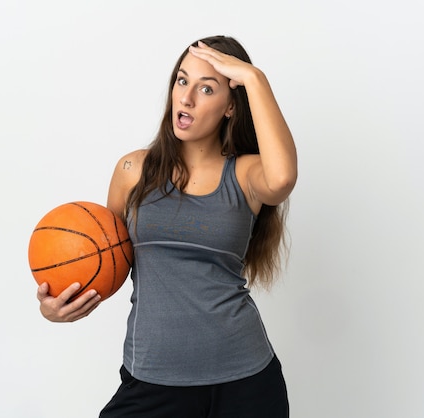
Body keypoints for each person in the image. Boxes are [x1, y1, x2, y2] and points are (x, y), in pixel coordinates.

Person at [37, 35, 297, 417]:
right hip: (153, 380)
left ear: (230, 107)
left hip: (246, 382)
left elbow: (282, 179)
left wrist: (254, 79)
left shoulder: (245, 174)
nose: (187, 98)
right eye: (181, 80)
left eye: (207, 88)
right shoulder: (133, 170)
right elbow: (106, 264)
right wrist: (57, 305)